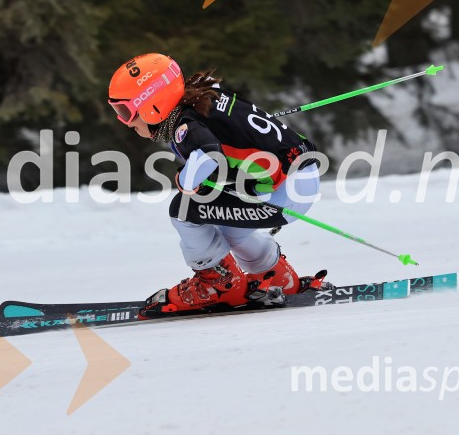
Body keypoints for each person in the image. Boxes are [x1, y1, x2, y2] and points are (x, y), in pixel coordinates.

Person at [108, 52, 325, 316]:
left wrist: (184, 181)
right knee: (227, 229)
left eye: (125, 111)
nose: (126, 122)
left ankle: (219, 283)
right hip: (298, 176)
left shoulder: (185, 126)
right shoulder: (202, 95)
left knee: (183, 210)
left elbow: (210, 155)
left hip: (284, 194)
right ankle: (278, 278)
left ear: (152, 105)